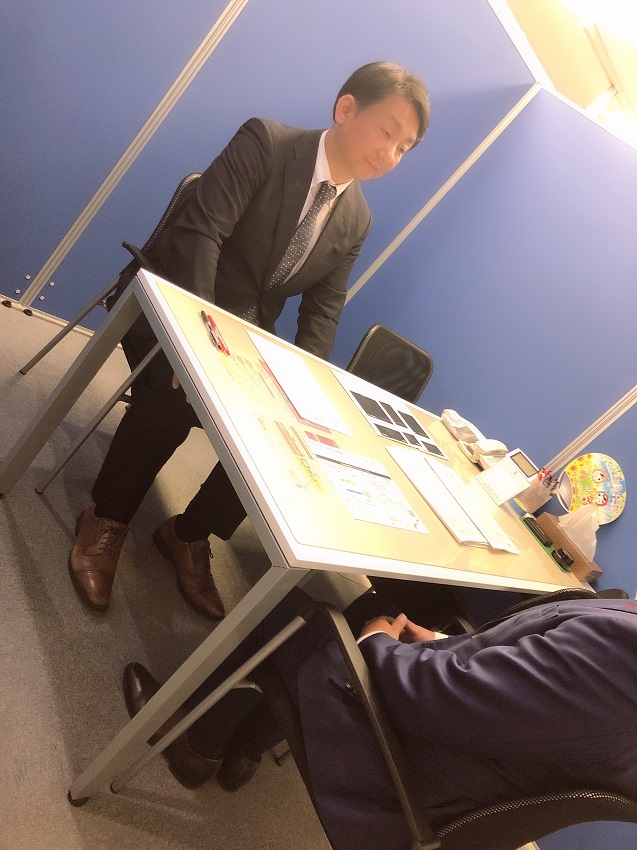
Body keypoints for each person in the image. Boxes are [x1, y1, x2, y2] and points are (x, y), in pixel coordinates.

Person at [69, 61, 431, 616]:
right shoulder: (266, 142)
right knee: (176, 395)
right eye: (388, 132)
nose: (390, 155)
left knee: (283, 432)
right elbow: (201, 233)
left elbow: (323, 309)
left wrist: (302, 393)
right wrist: (195, 344)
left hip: (242, 333)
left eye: (404, 148)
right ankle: (107, 517)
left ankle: (188, 534)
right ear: (346, 109)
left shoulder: (356, 217)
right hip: (173, 298)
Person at [123, 590, 637, 850]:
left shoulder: (620, 652)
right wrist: (443, 644)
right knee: (378, 606)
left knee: (296, 609)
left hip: (398, 764)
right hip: (466, 773)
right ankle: (245, 746)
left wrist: (377, 643)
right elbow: (533, 708)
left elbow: (430, 699)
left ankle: (197, 746)